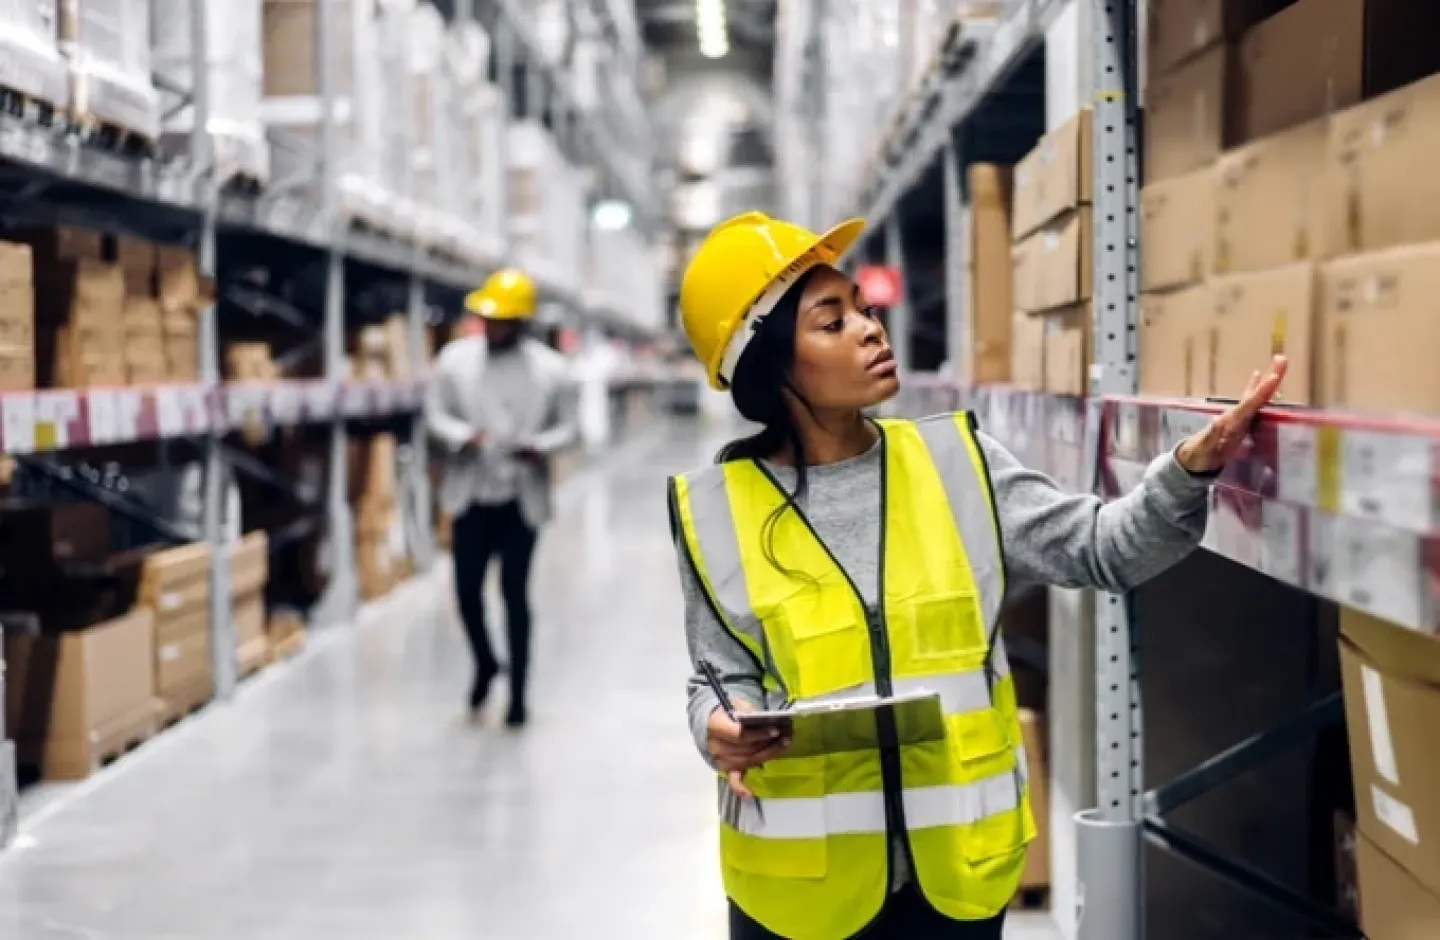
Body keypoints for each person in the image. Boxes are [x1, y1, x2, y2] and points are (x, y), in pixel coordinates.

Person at [666, 212, 1287, 940]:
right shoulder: (715, 508)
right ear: (770, 366)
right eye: (831, 323)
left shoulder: (957, 464)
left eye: (866, 309)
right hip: (799, 894)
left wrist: (1189, 471)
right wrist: (718, 727)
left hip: (955, 879)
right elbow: (717, 675)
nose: (872, 329)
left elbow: (1102, 548)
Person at [426, 268, 577, 727]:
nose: (492, 328)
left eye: (502, 321)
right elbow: (434, 415)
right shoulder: (454, 361)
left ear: (522, 322)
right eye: (487, 320)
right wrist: (464, 436)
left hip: (521, 498)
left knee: (515, 594)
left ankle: (518, 696)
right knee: (467, 592)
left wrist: (540, 446)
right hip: (471, 493)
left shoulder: (552, 370)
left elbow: (568, 427)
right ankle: (486, 662)